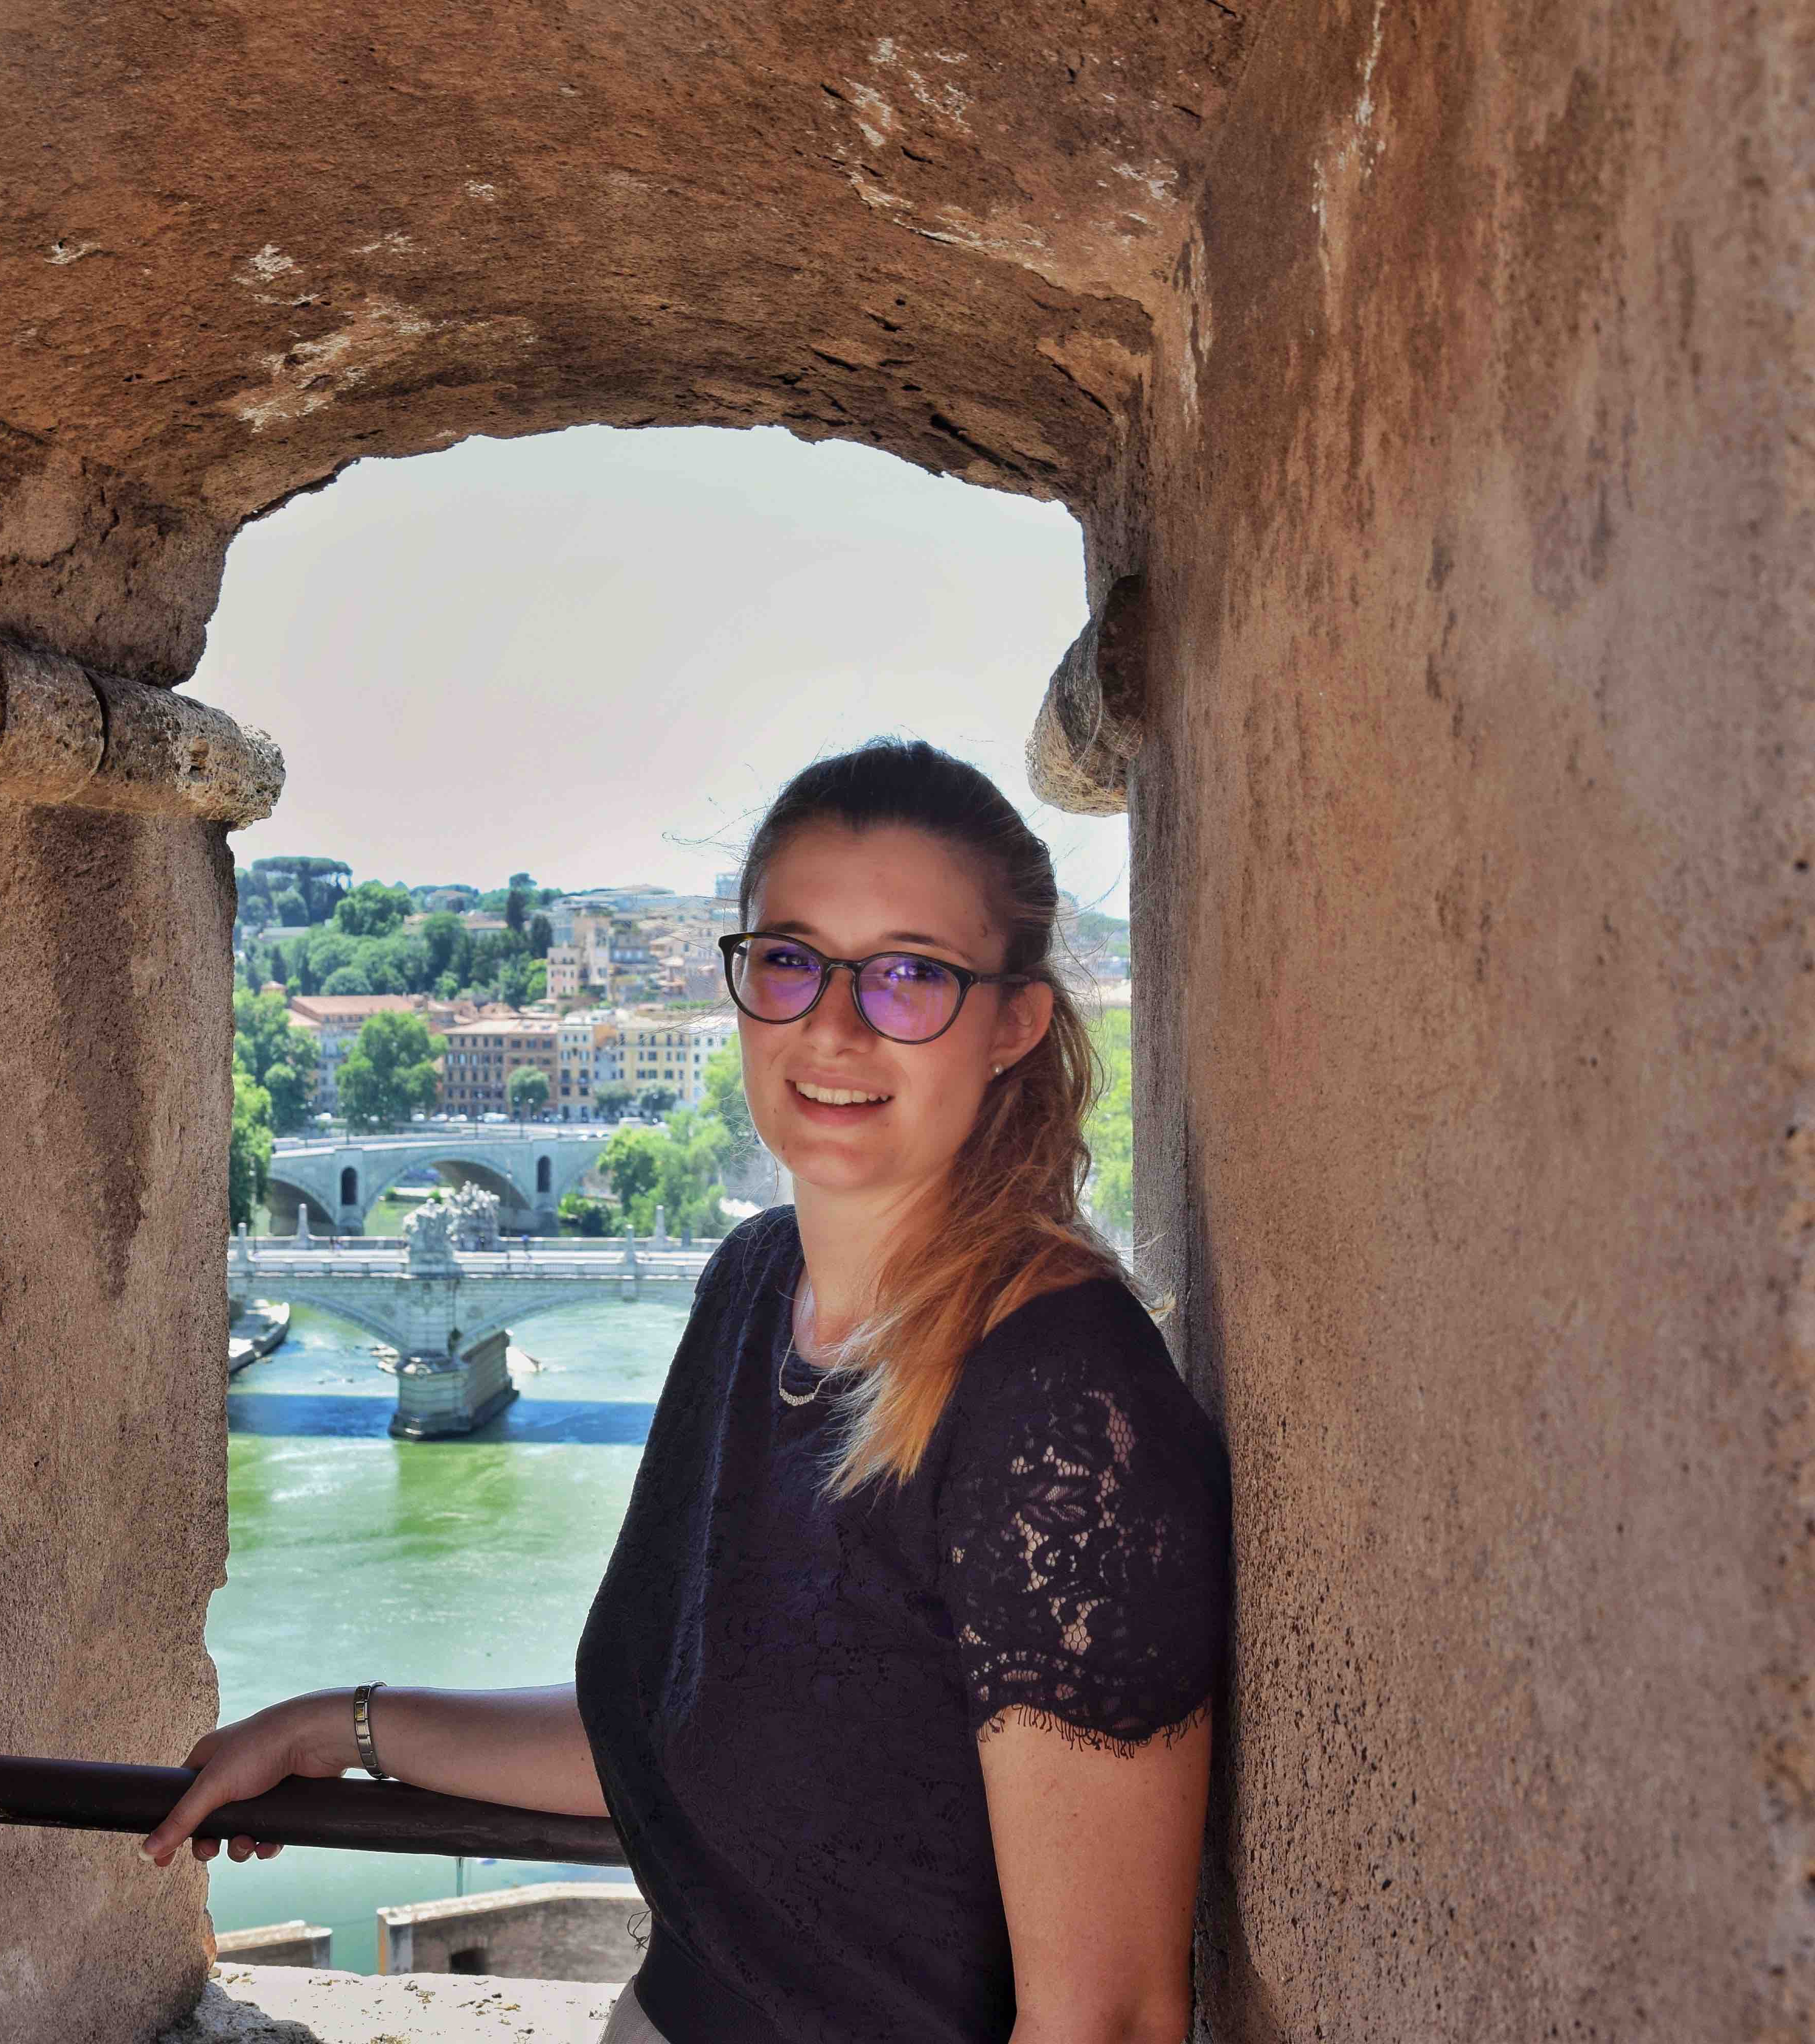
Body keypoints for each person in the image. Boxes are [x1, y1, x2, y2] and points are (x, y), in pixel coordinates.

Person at [144, 738, 1232, 2044]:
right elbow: (680, 1730)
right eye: (791, 958)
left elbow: (1105, 2019)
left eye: (909, 976)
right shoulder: (752, 1286)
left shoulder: (1064, 1411)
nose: (834, 1024)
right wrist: (346, 1722)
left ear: (1014, 1022)